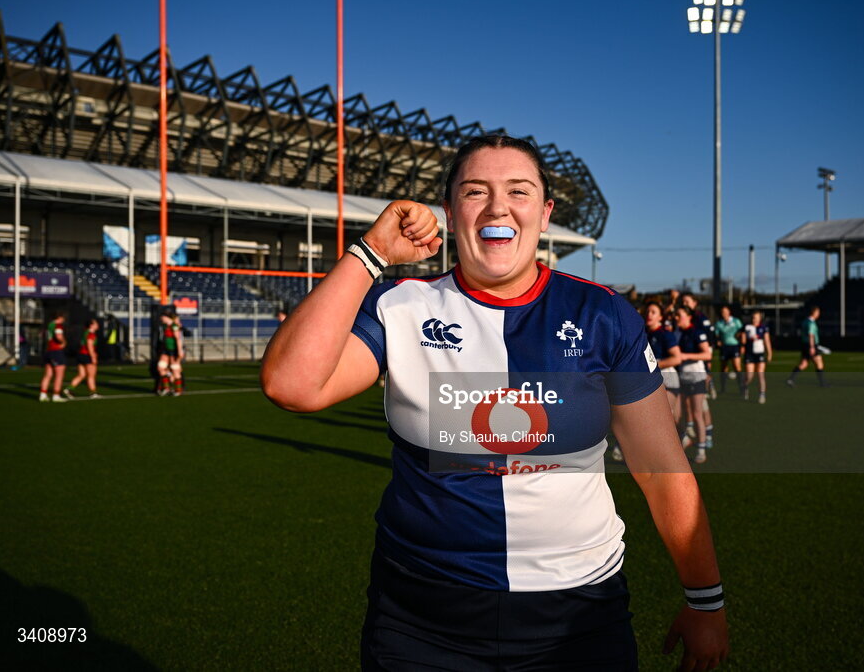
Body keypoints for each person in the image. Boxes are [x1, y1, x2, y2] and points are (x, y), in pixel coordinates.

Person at [261, 135, 728, 671]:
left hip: (578, 615)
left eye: (519, 191)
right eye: (475, 191)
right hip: (422, 614)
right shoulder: (402, 305)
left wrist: (705, 601)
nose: (498, 207)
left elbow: (662, 470)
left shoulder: (603, 314)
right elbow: (292, 386)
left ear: (545, 214)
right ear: (450, 211)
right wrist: (371, 255)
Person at [674, 306, 713, 464]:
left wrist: (685, 356)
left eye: (680, 315)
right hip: (682, 378)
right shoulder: (678, 334)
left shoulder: (697, 332)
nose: (677, 318)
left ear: (689, 317)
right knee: (682, 414)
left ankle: (701, 449)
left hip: (697, 377)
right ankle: (686, 440)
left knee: (697, 414)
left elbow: (707, 354)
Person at [645, 301, 683, 431]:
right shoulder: (644, 333)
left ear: (661, 317)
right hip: (651, 379)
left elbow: (677, 358)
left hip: (668, 377)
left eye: (653, 312)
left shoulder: (665, 334)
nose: (649, 315)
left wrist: (654, 365)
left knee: (666, 419)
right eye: (647, 312)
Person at [787, 305, 826, 388]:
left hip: (805, 344)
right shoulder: (811, 323)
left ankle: (791, 379)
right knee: (819, 362)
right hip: (811, 345)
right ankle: (822, 383)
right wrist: (812, 347)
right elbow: (811, 335)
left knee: (804, 363)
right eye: (818, 312)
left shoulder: (805, 321)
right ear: (814, 312)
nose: (819, 314)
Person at [741, 310, 772, 403]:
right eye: (754, 317)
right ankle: (745, 386)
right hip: (749, 353)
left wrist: (769, 353)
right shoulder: (746, 327)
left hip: (760, 353)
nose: (755, 319)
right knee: (749, 376)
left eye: (757, 318)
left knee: (760, 374)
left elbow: (767, 340)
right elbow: (742, 339)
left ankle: (762, 394)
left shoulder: (764, 328)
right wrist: (742, 344)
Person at [65, 318, 101, 399]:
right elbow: (89, 345)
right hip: (87, 355)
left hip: (80, 355)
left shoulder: (85, 333)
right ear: (91, 325)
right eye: (96, 323)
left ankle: (69, 389)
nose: (97, 325)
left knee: (82, 375)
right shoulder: (91, 334)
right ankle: (93, 393)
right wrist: (93, 357)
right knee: (91, 375)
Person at [38, 312, 68, 402]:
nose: (64, 320)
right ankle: (56, 395)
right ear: (59, 317)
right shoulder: (57, 325)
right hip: (56, 351)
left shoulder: (49, 325)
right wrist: (63, 342)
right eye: (63, 317)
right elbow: (58, 336)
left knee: (48, 374)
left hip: (48, 350)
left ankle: (43, 394)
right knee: (59, 375)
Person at [714, 305, 744, 395]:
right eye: (722, 312)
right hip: (724, 347)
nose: (724, 314)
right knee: (723, 368)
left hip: (735, 346)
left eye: (725, 311)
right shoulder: (719, 323)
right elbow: (716, 335)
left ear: (729, 312)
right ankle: (723, 387)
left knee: (737, 367)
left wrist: (742, 343)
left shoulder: (736, 321)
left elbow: (742, 331)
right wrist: (718, 341)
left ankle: (742, 388)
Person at [155, 311, 185, 396]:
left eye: (163, 317)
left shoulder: (174, 326)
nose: (161, 319)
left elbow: (178, 339)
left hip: (173, 350)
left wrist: (179, 351)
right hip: (166, 350)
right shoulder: (165, 326)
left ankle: (178, 389)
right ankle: (166, 387)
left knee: (175, 369)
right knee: (160, 367)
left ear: (166, 317)